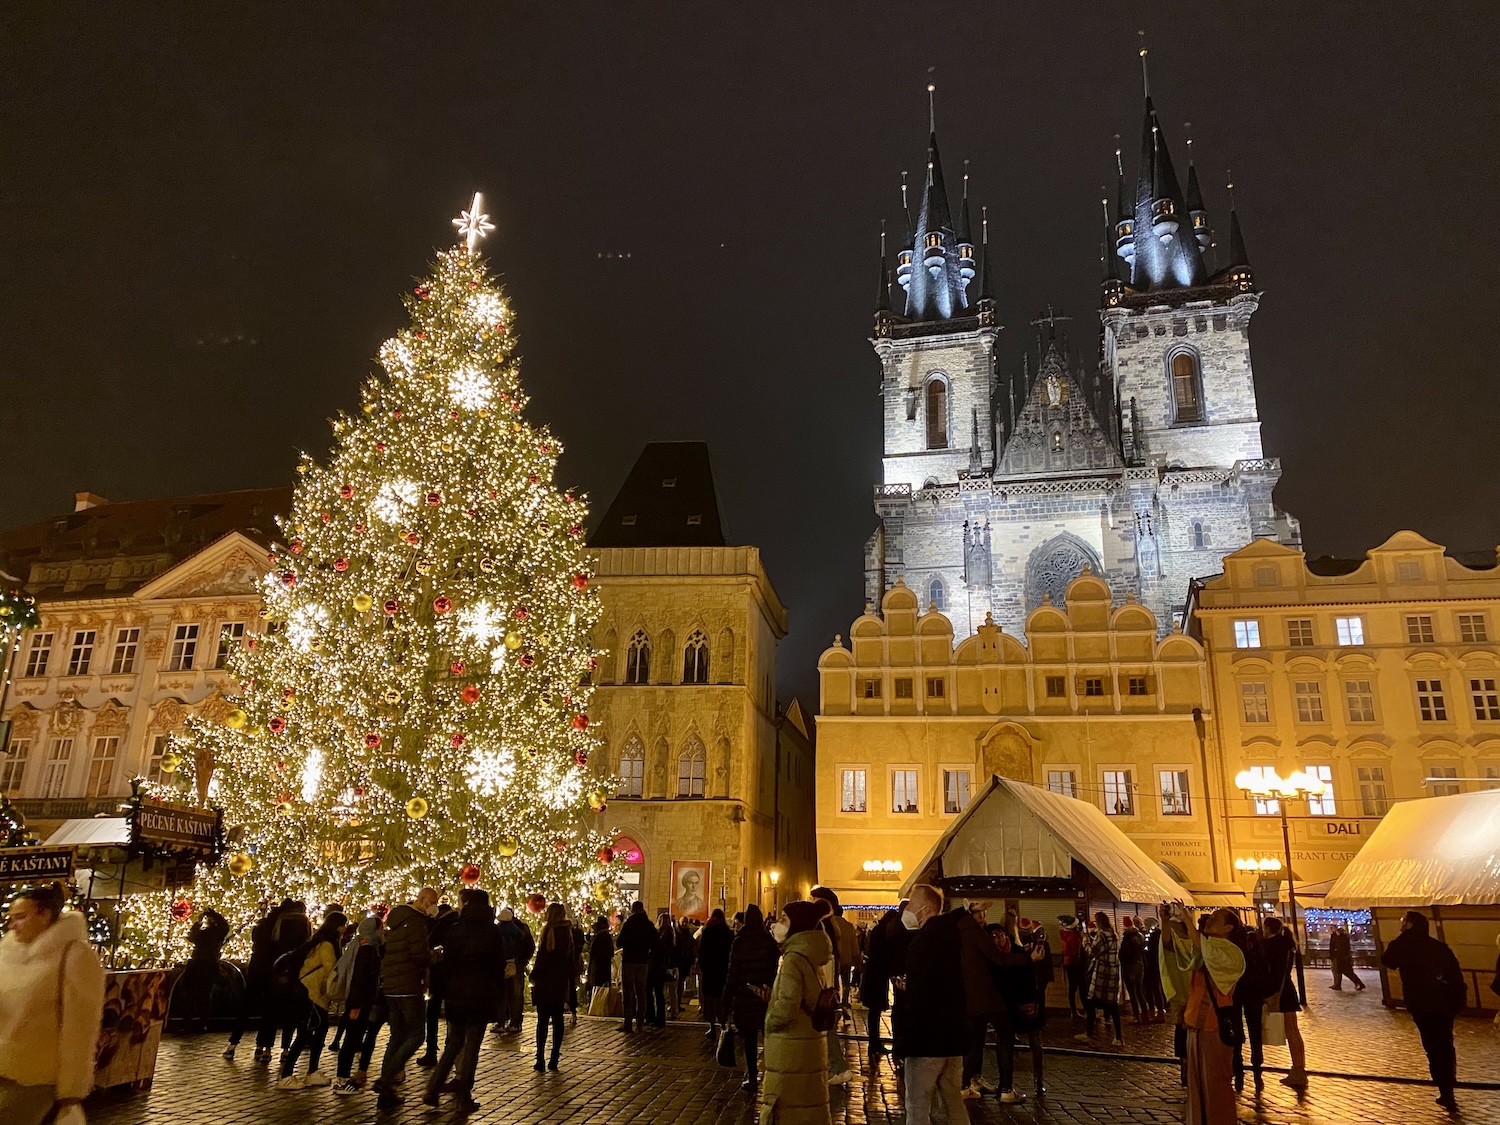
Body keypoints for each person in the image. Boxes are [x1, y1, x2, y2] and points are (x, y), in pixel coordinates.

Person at [0, 883, 106, 1125]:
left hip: (36, 1078)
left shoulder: (74, 955)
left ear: (44, 915)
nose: (11, 925)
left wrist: (71, 1092)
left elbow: (80, 1029)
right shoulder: (7, 952)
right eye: (10, 918)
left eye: (20, 917)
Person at [422, 889, 504, 1112]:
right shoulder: (493, 932)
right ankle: (463, 1096)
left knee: (453, 1043)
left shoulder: (455, 930)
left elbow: (447, 963)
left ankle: (433, 1087)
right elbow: (498, 965)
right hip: (481, 994)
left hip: (456, 993)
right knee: (471, 1047)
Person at [1163, 905, 1245, 1125]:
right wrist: (1165, 921)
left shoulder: (1231, 952)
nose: (1209, 920)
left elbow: (1208, 954)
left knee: (1216, 1084)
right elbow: (1173, 948)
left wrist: (1188, 920)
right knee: (1196, 1084)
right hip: (1195, 1024)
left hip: (1215, 1026)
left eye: (1216, 918)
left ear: (1229, 927)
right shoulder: (1205, 946)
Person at [1381, 910, 1467, 1111]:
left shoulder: (1404, 945)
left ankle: (1444, 1087)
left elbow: (1387, 960)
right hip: (1444, 1003)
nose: (1401, 924)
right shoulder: (1438, 947)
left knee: (1432, 1045)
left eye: (1404, 921)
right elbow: (1455, 974)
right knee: (1445, 1043)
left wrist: (1405, 935)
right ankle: (1448, 1087)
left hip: (1421, 1003)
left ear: (1410, 925)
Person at [898, 884, 967, 1125]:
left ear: (926, 909)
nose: (907, 909)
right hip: (952, 1036)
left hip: (927, 1039)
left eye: (912, 904)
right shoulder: (951, 936)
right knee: (952, 1100)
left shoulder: (924, 941)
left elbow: (920, 997)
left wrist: (907, 1041)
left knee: (917, 1103)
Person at [761, 901, 834, 1125]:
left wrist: (769, 1021)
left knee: (787, 1111)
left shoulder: (793, 959)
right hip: (807, 1047)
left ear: (797, 925)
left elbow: (786, 1007)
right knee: (808, 1110)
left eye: (784, 919)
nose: (777, 924)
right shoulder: (811, 956)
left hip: (789, 1051)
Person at [375, 886, 437, 1110]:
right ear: (423, 900)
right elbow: (419, 954)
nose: (434, 907)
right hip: (408, 985)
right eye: (432, 902)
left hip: (391, 985)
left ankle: (386, 1091)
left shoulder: (398, 920)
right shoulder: (416, 922)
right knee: (417, 1034)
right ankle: (387, 1077)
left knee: (397, 1035)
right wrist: (435, 956)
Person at [277, 910, 347, 1090]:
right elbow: (332, 971)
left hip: (312, 994)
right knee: (307, 1034)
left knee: (316, 1032)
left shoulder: (318, 942)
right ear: (337, 926)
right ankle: (287, 1075)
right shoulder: (327, 946)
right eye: (343, 924)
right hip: (313, 994)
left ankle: (311, 1072)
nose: (345, 928)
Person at [721, 902, 780, 1092]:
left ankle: (752, 1077)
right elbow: (775, 967)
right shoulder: (768, 940)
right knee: (769, 1037)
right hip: (764, 995)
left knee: (750, 1040)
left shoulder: (740, 942)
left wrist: (726, 1000)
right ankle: (774, 1075)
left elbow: (733, 974)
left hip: (745, 996)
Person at [952, 901, 1006, 1099]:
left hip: (971, 995)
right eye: (980, 916)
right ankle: (965, 1083)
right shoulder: (973, 933)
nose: (983, 920)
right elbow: (997, 958)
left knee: (976, 1040)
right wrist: (1027, 959)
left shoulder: (961, 933)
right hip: (978, 995)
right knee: (976, 1041)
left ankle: (972, 1079)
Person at [989, 921, 1045, 1102]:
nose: (1000, 939)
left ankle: (1038, 1079)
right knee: (1004, 1043)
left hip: (1025, 1003)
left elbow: (1031, 979)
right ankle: (1004, 1083)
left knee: (1035, 1042)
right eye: (995, 936)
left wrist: (1031, 1002)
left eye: (1002, 934)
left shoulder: (1019, 953)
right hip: (1006, 1006)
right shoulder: (992, 958)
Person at [226, 899, 285, 1061]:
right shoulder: (281, 928)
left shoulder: (261, 926)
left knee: (246, 1008)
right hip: (272, 972)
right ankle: (264, 1047)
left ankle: (232, 1045)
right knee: (270, 1012)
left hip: (256, 970)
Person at [332, 914, 385, 1094]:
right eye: (380, 928)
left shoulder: (363, 947)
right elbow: (360, 980)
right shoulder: (367, 950)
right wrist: (355, 1005)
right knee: (351, 1040)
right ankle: (343, 1080)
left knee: (352, 1039)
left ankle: (343, 1078)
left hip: (358, 1001)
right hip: (359, 1002)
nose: (383, 932)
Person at [807, 885, 853, 1085]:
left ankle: (838, 1066)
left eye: (814, 900)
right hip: (827, 983)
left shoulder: (823, 926)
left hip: (822, 985)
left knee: (825, 1027)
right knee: (823, 1026)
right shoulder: (831, 926)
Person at [530, 903, 579, 1071]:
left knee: (542, 1021)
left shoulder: (547, 931)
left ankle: (540, 1058)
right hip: (559, 982)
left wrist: (534, 975)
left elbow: (542, 958)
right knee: (558, 1021)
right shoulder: (567, 932)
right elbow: (570, 959)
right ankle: (554, 1058)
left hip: (545, 982)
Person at [1261, 917, 1307, 1089]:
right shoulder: (1285, 944)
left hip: (1280, 992)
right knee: (1293, 1031)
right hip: (1287, 990)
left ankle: (1298, 1070)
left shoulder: (1273, 945)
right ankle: (1299, 1069)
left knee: (1291, 1031)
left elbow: (1276, 972)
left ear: (1267, 928)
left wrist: (1274, 996)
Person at [1227, 913, 1271, 1091]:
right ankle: (1257, 1073)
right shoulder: (1252, 938)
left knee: (1236, 1033)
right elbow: (1263, 964)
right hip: (1254, 991)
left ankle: (1238, 1074)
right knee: (1255, 1033)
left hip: (1236, 991)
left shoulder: (1229, 942)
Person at [269, 900, 312, 1059]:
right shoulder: (304, 922)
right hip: (296, 970)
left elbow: (275, 942)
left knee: (273, 1011)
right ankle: (286, 1049)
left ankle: (266, 1048)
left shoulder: (280, 921)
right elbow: (307, 943)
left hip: (279, 969)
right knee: (292, 1013)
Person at [418, 901, 459, 1067]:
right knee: (452, 1015)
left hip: (438, 975)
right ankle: (450, 1050)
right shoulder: (459, 924)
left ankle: (431, 1051)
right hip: (453, 976)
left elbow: (429, 943)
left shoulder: (440, 925)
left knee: (433, 1013)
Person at [1074, 912, 1122, 1047]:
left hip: (1102, 973)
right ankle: (1118, 1036)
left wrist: (1085, 940)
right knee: (1113, 1006)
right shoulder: (1114, 934)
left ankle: (1089, 1034)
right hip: (1113, 973)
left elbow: (1092, 951)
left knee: (1090, 1003)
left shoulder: (1102, 935)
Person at [859, 905, 898, 1058]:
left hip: (874, 976)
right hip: (876, 977)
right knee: (874, 1012)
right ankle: (874, 1043)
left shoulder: (878, 931)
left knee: (874, 1012)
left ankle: (874, 1042)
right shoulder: (882, 933)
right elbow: (882, 955)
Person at [616, 901, 657, 1032]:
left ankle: (628, 1022)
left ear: (633, 909)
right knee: (641, 992)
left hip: (629, 960)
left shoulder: (629, 924)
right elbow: (656, 941)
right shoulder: (648, 924)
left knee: (628, 992)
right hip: (643, 961)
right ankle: (640, 1022)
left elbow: (619, 942)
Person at [497, 906, 535, 1032]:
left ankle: (507, 1021)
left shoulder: (501, 929)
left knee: (509, 993)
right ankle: (512, 1021)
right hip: (516, 964)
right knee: (514, 994)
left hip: (507, 964)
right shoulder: (520, 929)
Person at [697, 908, 733, 1039]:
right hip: (723, 970)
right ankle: (724, 1024)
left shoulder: (708, 931)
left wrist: (703, 967)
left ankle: (712, 1026)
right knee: (722, 999)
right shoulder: (728, 933)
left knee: (710, 1000)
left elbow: (702, 952)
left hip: (710, 970)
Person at [647, 912, 675, 1026]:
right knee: (659, 992)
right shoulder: (670, 934)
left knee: (652, 991)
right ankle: (659, 1017)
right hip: (661, 966)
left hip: (655, 966)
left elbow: (657, 949)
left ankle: (652, 1016)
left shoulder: (662, 934)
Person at [1119, 916, 1147, 1024]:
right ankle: (1145, 1014)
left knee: (1132, 992)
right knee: (1140, 991)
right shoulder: (1140, 936)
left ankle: (1136, 1015)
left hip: (1129, 966)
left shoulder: (1127, 938)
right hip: (1140, 965)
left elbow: (1125, 953)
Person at [1058, 916, 1087, 1019]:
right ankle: (1087, 1010)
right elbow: (1077, 952)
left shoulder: (1064, 935)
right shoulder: (1074, 937)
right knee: (1082, 987)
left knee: (1072, 988)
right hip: (1076, 965)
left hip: (1068, 963)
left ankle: (1073, 1010)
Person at [1141, 917, 1167, 1023]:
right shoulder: (1146, 934)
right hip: (1147, 965)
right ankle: (1151, 1010)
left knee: (1156, 988)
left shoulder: (1157, 935)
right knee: (1148, 989)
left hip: (1154, 964)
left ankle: (1160, 1011)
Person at [1328, 923, 1364, 991]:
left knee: (1345, 972)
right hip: (1339, 957)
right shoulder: (1336, 936)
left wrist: (1335, 953)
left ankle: (1358, 983)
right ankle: (1337, 985)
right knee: (1339, 971)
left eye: (1332, 928)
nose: (1331, 930)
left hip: (1341, 958)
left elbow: (1339, 947)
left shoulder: (1341, 937)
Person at [586, 913, 614, 1000]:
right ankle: (603, 1003)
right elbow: (611, 952)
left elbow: (593, 952)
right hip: (605, 965)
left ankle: (595, 1003)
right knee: (604, 984)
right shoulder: (607, 936)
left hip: (597, 965)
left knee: (596, 984)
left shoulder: (598, 936)